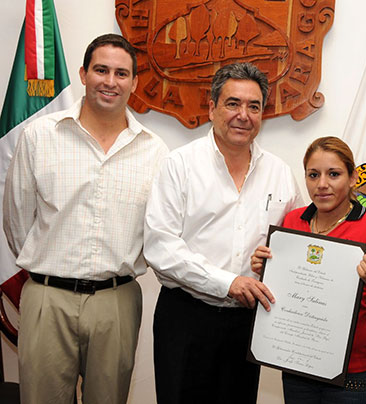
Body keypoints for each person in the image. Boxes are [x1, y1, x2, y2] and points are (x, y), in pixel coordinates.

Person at [3, 33, 168, 403]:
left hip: (117, 301)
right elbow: (16, 221)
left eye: (121, 73)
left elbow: (159, 229)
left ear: (134, 82)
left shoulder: (154, 150)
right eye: (101, 70)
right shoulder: (40, 136)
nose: (110, 82)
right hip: (47, 298)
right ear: (83, 73)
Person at [143, 62, 303, 404]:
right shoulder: (179, 165)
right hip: (186, 317)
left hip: (247, 325)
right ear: (212, 106)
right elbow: (160, 246)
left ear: (263, 113)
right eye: (233, 103)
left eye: (254, 106)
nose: (243, 115)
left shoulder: (281, 174)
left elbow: (298, 243)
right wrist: (226, 282)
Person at [251, 136, 366, 403]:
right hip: (296, 364)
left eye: (334, 174)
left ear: (353, 177)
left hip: (351, 373)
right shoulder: (292, 221)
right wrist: (265, 270)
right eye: (313, 174)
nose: (322, 184)